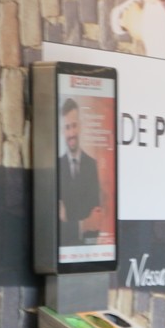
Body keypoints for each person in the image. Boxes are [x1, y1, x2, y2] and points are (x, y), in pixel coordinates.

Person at [58, 98, 103, 246]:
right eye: (67, 127)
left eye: (74, 126)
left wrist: (68, 221)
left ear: (80, 126)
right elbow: (56, 226)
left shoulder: (92, 166)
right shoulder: (57, 167)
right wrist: (84, 223)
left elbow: (95, 223)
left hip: (88, 251)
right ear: (62, 131)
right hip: (63, 250)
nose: (71, 132)